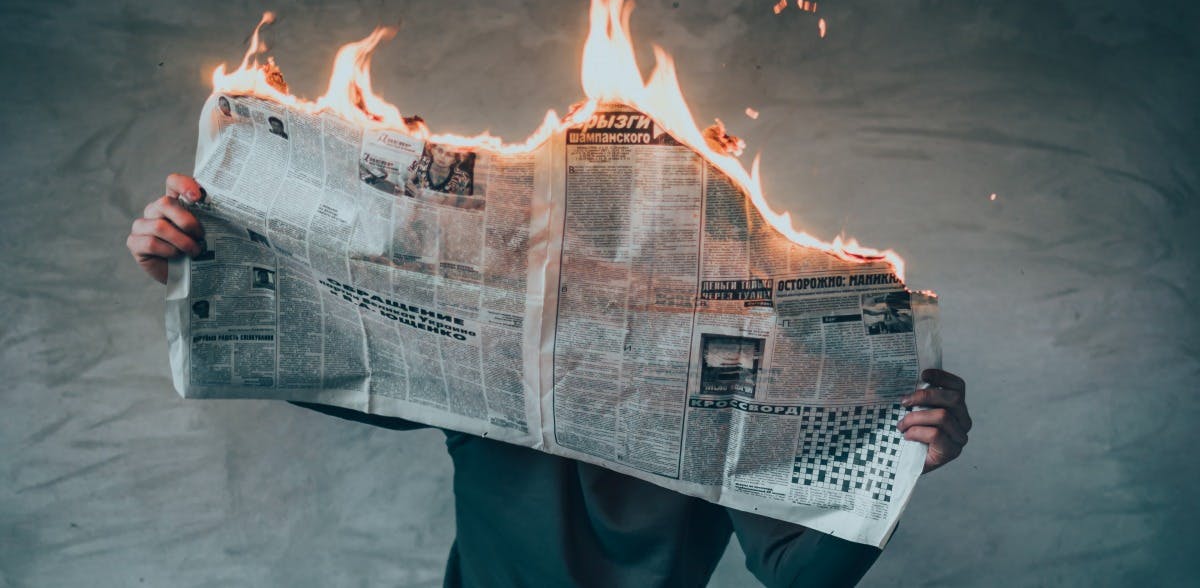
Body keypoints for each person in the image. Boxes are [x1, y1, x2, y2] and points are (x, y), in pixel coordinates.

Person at [127, 174, 973, 587]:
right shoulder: (491, 356)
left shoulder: (731, 394)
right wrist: (197, 269)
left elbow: (795, 573)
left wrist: (901, 466)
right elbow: (333, 361)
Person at [405, 143, 474, 196]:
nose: (442, 156)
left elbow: (462, 203)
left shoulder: (462, 178)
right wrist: (416, 192)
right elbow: (406, 181)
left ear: (455, 160)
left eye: (449, 154)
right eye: (440, 151)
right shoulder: (421, 162)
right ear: (432, 150)